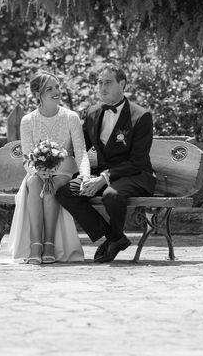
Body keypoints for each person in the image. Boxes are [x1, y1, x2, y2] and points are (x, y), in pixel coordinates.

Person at [56, 65, 156, 263]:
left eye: (108, 83)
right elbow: (80, 148)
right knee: (65, 192)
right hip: (101, 175)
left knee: (112, 195)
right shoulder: (92, 113)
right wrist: (55, 156)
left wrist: (104, 178)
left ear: (122, 84)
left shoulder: (141, 116)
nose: (102, 87)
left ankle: (114, 239)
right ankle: (115, 238)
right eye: (100, 82)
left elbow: (137, 161)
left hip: (135, 175)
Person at [9, 71, 89, 264]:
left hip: (64, 171)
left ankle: (50, 243)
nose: (56, 92)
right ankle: (36, 244)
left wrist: (85, 176)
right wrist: (38, 171)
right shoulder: (28, 120)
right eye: (50, 89)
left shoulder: (71, 117)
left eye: (57, 87)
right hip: (38, 171)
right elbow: (27, 157)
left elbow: (81, 151)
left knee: (53, 185)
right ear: (38, 93)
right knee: (35, 183)